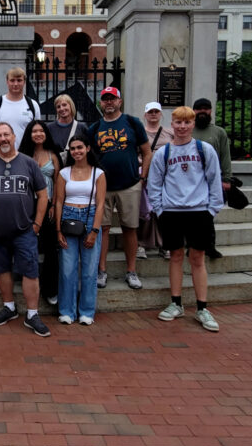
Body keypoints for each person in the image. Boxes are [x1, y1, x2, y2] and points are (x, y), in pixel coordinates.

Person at [148, 106, 224, 332]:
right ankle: (176, 303)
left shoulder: (204, 149)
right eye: (178, 123)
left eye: (186, 123)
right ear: (172, 124)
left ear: (192, 124)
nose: (182, 127)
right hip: (171, 212)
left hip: (199, 211)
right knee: (175, 256)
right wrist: (160, 209)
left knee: (198, 258)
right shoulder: (164, 153)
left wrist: (212, 210)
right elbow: (154, 184)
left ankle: (202, 307)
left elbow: (214, 180)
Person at [0, 121, 50, 337]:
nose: (3, 139)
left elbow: (43, 195)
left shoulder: (28, 163)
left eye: (6, 135)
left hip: (25, 230)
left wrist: (37, 224)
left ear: (14, 137)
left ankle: (32, 314)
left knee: (30, 271)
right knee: (2, 269)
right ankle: (9, 307)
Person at [89, 87, 152, 290]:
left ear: (119, 101)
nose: (109, 102)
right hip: (104, 186)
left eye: (112, 99)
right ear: (100, 103)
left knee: (130, 228)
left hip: (130, 184)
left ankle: (131, 271)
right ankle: (102, 271)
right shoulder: (94, 128)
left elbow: (147, 152)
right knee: (103, 229)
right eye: (105, 99)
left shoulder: (132, 123)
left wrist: (143, 177)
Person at [56, 132, 106, 325]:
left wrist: (94, 230)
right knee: (68, 268)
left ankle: (86, 311)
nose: (76, 151)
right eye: (73, 148)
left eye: (80, 147)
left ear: (87, 149)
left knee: (89, 269)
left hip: (90, 215)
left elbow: (101, 204)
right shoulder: (64, 173)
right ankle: (67, 310)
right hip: (68, 217)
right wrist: (58, 230)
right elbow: (59, 202)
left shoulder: (98, 173)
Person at [18, 119, 61, 303]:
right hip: (27, 205)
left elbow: (59, 181)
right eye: (34, 131)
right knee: (26, 244)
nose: (37, 134)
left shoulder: (53, 155)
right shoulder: (22, 155)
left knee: (51, 247)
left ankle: (50, 288)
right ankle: (26, 280)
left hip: (49, 204)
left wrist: (53, 206)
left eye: (41, 131)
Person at [192, 97, 233, 260]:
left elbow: (225, 156)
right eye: (199, 108)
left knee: (207, 216)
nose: (202, 111)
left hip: (212, 181)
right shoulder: (188, 130)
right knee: (192, 216)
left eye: (206, 108)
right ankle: (193, 246)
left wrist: (227, 179)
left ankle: (210, 246)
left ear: (210, 111)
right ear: (193, 111)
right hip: (191, 182)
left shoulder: (219, 132)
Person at [136, 101, 173, 260]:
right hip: (144, 175)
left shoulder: (169, 133)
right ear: (145, 114)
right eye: (150, 112)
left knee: (164, 210)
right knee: (145, 211)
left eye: (156, 112)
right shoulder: (139, 133)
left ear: (161, 114)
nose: (153, 114)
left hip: (166, 177)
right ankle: (141, 244)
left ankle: (165, 244)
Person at [0, 67, 40, 158]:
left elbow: (37, 132)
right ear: (7, 82)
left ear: (24, 82)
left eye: (19, 80)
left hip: (24, 157)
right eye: (12, 80)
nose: (15, 84)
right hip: (0, 158)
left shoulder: (33, 105)